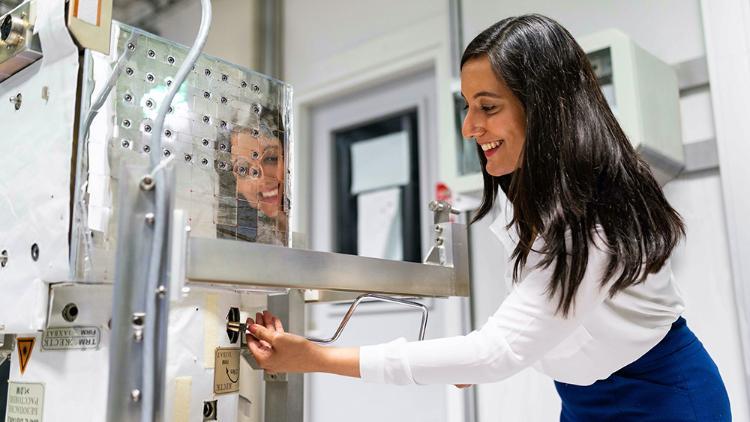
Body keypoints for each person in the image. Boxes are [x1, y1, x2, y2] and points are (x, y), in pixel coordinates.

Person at [244, 14, 731, 421]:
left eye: (487, 107)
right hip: (583, 398)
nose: (468, 126)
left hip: (663, 398)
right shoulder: (522, 195)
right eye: (467, 105)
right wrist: (467, 360)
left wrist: (314, 357)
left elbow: (498, 350)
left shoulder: (596, 211)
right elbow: (538, 324)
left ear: (543, 108)